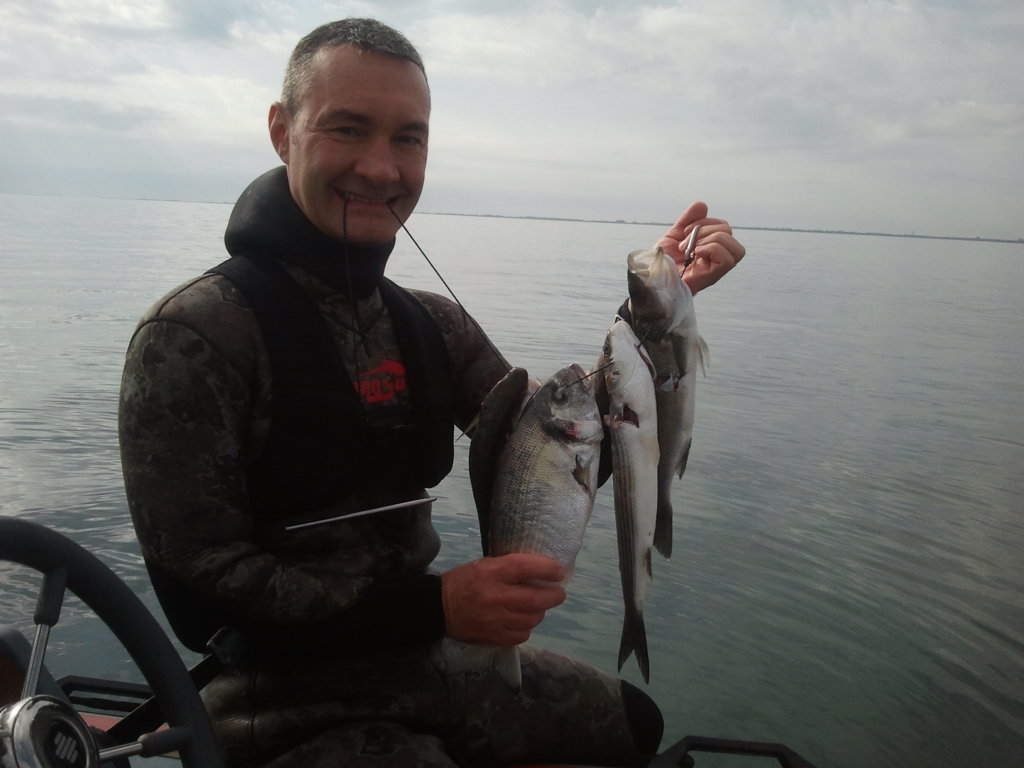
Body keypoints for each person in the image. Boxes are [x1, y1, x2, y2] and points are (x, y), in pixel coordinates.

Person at [118, 17, 745, 768]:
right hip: (272, 693)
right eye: (348, 128)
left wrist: (654, 317)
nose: (381, 167)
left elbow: (563, 453)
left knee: (635, 723)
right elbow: (202, 590)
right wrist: (440, 605)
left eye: (408, 138)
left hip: (420, 656)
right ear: (283, 132)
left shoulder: (431, 325)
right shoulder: (193, 336)